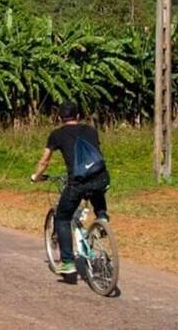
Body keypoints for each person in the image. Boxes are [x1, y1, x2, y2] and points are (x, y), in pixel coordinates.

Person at [31, 102, 110, 275]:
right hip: (101, 176)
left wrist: (36, 176)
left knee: (62, 217)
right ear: (79, 116)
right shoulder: (91, 130)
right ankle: (102, 217)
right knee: (97, 190)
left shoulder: (56, 135)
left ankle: (67, 262)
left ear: (59, 118)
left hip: (78, 182)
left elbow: (44, 160)